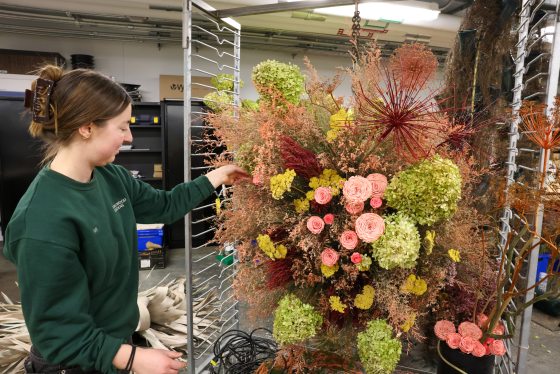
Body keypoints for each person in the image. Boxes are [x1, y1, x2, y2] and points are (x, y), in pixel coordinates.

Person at [2, 65, 249, 374]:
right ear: (87, 127)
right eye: (122, 127)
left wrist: (218, 175)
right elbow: (57, 333)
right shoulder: (42, 221)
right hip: (75, 361)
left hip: (112, 343)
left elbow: (164, 206)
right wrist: (134, 359)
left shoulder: (110, 177)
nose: (129, 137)